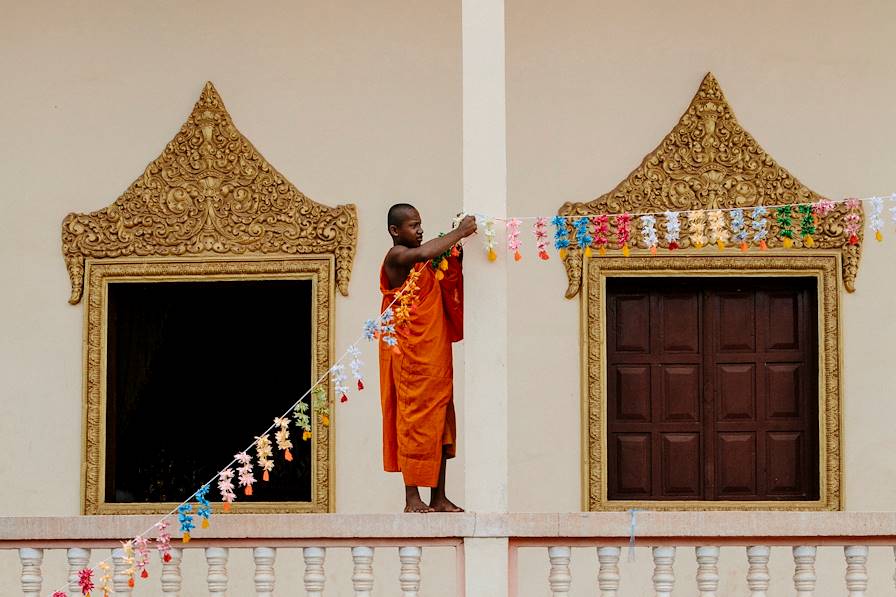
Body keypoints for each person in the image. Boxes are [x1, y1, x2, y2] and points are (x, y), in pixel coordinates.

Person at [379, 204, 477, 512]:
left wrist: (455, 248)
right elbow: (422, 254)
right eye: (413, 225)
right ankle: (412, 498)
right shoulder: (396, 257)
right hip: (409, 357)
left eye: (420, 225)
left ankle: (439, 496)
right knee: (412, 422)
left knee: (439, 424)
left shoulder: (424, 264)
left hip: (434, 356)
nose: (419, 230)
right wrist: (459, 232)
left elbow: (437, 266)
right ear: (396, 231)